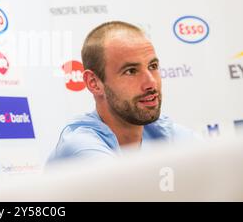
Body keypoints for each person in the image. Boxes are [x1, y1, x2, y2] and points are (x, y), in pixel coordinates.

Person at [48, 21, 196, 163]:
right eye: (131, 71)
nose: (151, 83)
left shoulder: (165, 132)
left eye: (153, 66)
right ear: (94, 83)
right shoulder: (80, 145)